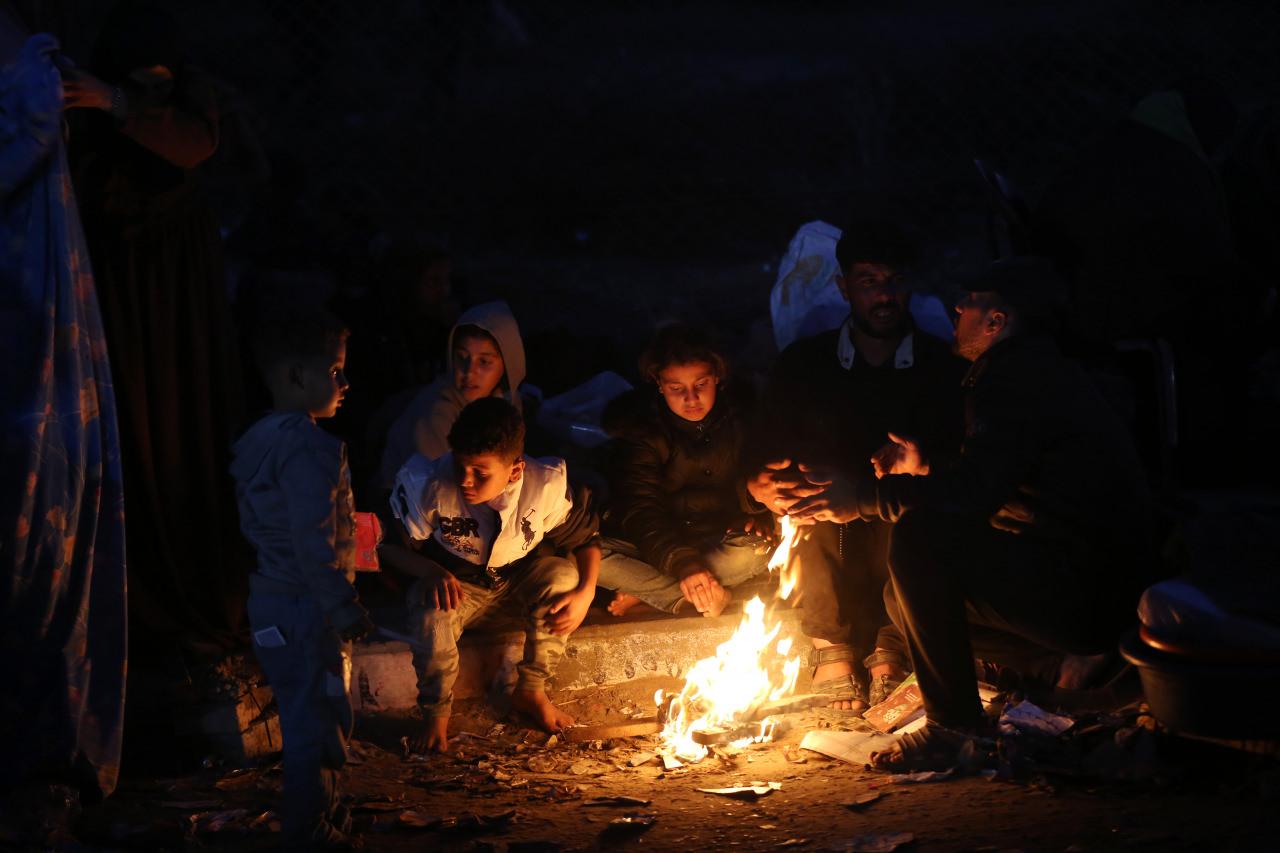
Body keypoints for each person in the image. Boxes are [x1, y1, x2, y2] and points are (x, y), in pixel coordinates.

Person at [787, 257, 1156, 769]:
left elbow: (972, 496)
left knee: (918, 537)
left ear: (997, 321)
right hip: (1084, 580)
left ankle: (953, 725)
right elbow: (1006, 469)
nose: (956, 308)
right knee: (902, 598)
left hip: (1085, 586)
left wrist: (863, 500)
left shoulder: (1017, 376)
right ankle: (1048, 675)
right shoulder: (1030, 369)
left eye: (970, 302)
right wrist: (928, 465)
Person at [64, 1, 248, 653]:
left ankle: (186, 587)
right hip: (114, 280)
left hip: (174, 285)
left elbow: (194, 140)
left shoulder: (185, 94)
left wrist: (119, 102)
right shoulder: (87, 80)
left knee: (180, 421)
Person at [747, 220, 968, 711]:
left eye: (893, 281)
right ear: (844, 287)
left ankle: (893, 644)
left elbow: (967, 465)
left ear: (909, 285)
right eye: (869, 282)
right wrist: (759, 486)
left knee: (911, 501)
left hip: (896, 525)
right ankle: (831, 645)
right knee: (804, 494)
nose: (883, 295)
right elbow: (762, 450)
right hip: (827, 535)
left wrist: (904, 472)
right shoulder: (804, 364)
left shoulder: (942, 368)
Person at [1, 13, 127, 837]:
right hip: (23, 302)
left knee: (40, 509)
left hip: (31, 304)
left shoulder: (31, 65)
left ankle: (44, 760)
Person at [231, 307, 372, 850]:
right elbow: (315, 541)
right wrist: (343, 606)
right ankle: (314, 831)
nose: (344, 382)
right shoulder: (308, 449)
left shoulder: (259, 440)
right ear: (295, 376)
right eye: (335, 371)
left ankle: (317, 821)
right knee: (320, 722)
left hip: (271, 601)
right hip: (306, 607)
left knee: (301, 717)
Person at [388, 398, 600, 753]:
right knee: (430, 613)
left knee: (565, 578)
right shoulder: (429, 485)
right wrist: (429, 570)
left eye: (481, 473)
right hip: (460, 587)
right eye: (460, 466)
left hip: (519, 581)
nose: (466, 481)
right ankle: (436, 715)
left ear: (515, 470)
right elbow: (386, 545)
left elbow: (586, 539)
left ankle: (531, 691)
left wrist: (588, 591)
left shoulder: (543, 487)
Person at [597, 325, 770, 618]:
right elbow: (640, 507)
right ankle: (701, 595)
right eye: (677, 389)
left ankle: (652, 592)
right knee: (590, 556)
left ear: (717, 377)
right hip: (659, 549)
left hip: (720, 541)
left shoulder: (744, 418)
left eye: (701, 384)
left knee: (750, 552)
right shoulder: (641, 429)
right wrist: (682, 562)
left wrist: (757, 514)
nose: (691, 399)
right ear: (659, 384)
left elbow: (761, 479)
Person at [375, 299, 526, 492]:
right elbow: (438, 491)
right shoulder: (437, 414)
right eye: (462, 358)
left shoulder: (506, 402)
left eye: (485, 362)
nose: (469, 372)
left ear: (507, 365)